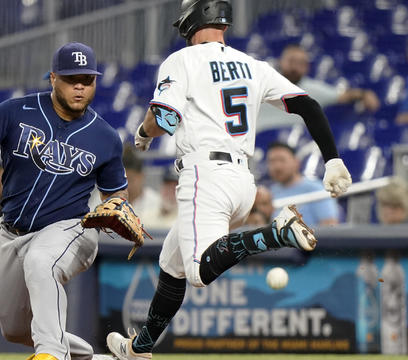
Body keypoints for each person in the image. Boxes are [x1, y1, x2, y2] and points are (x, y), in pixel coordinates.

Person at [105, 1, 352, 359]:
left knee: (197, 272)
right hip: (242, 181)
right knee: (172, 263)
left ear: (191, 23)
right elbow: (309, 105)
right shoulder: (252, 65)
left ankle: (277, 233)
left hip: (205, 175)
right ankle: (139, 347)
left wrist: (143, 133)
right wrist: (332, 159)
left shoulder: (182, 60)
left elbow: (165, 118)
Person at [0, 42, 124, 360]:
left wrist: (117, 209)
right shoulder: (16, 111)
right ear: (53, 78)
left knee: (42, 262)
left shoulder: (105, 136)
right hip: (13, 234)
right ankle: (97, 358)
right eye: (71, 78)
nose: (80, 86)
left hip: (71, 228)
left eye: (87, 79)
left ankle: (50, 354)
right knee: (16, 329)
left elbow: (116, 193)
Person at [257, 44, 380, 131]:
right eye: (291, 61)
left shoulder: (313, 89)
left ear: (307, 67)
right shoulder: (261, 84)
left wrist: (365, 94)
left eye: (300, 63)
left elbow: (342, 96)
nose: (295, 67)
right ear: (281, 62)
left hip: (295, 140)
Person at [267, 141, 340, 226]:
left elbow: (330, 226)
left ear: (296, 162)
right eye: (272, 161)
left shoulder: (316, 190)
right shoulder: (270, 193)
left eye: (282, 160)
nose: (277, 167)